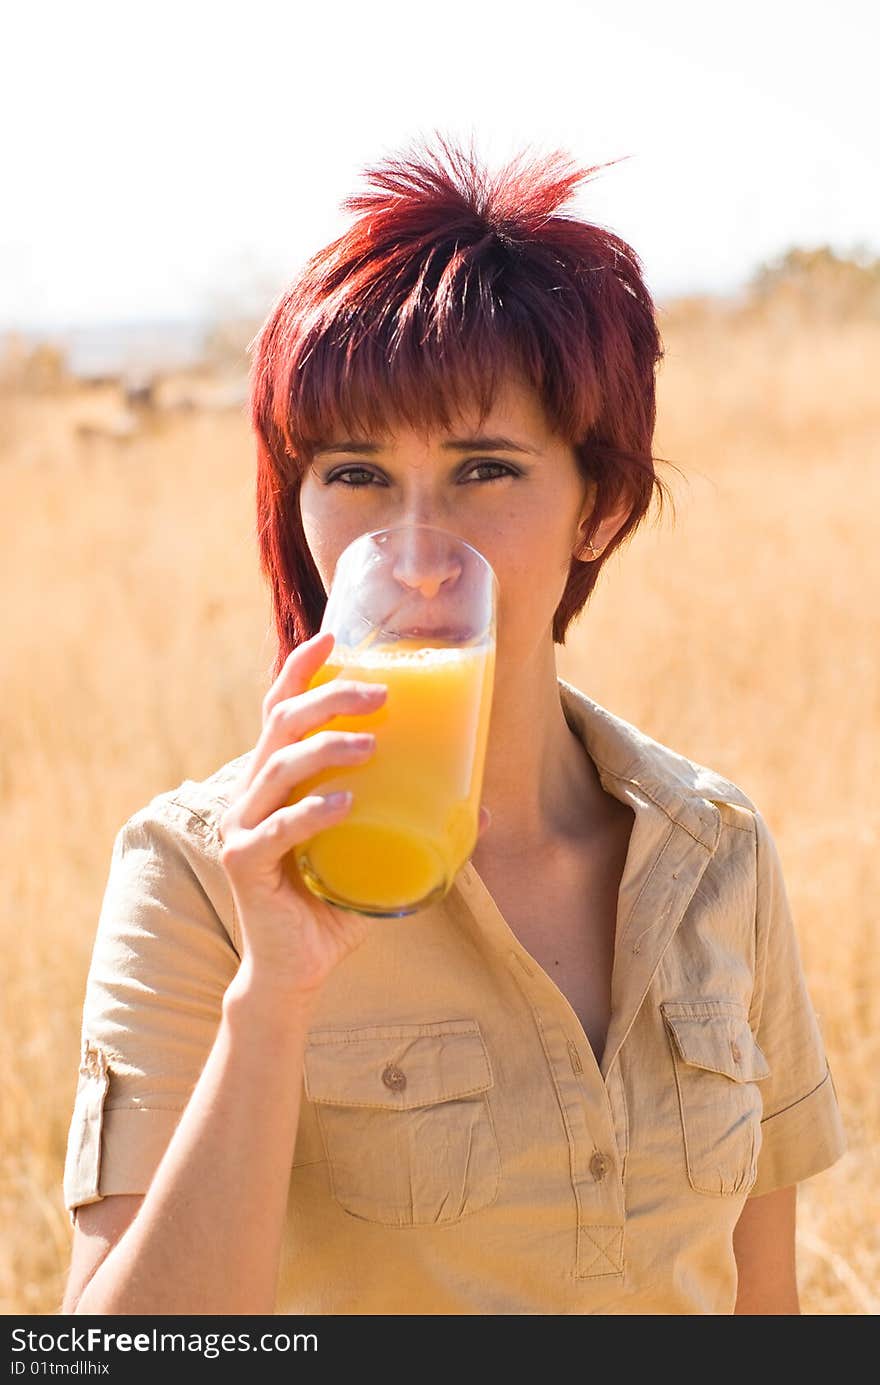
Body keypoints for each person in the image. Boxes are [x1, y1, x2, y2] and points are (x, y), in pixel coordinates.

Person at [60, 134, 847, 1316]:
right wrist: (274, 993)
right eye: (357, 474)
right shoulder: (197, 870)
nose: (417, 553)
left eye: (484, 468)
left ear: (602, 507)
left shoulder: (712, 848)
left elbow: (764, 1305)